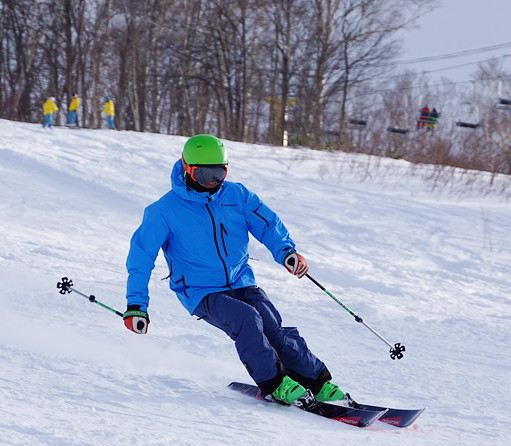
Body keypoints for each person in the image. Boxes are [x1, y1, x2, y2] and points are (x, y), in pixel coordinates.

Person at [124, 134, 347, 407]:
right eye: (204, 174)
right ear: (187, 168)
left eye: (219, 173)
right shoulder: (164, 211)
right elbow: (141, 257)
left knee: (272, 325)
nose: (212, 182)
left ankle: (317, 382)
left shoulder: (237, 195)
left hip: (242, 281)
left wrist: (286, 251)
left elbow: (268, 224)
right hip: (200, 291)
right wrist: (136, 304)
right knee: (246, 319)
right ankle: (275, 384)